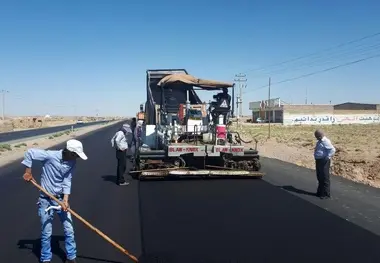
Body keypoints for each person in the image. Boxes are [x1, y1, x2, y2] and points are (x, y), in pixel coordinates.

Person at [22, 139, 88, 263]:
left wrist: (65, 200)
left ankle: (71, 256)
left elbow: (67, 180)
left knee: (69, 229)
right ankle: (45, 258)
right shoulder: (50, 156)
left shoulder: (72, 162)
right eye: (76, 155)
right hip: (45, 200)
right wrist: (28, 171)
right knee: (46, 232)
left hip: (60, 199)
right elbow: (30, 153)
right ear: (69, 152)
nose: (77, 158)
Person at [314, 129, 336, 199]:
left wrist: (328, 157)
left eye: (316, 136)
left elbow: (332, 150)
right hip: (319, 160)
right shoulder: (319, 141)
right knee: (319, 176)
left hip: (324, 161)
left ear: (319, 136)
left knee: (324, 177)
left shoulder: (325, 141)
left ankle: (326, 194)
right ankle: (320, 192)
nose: (315, 137)